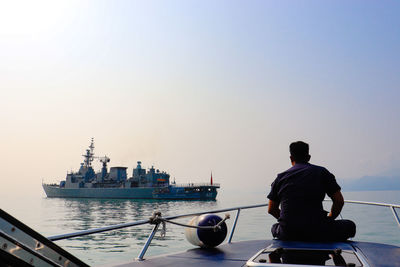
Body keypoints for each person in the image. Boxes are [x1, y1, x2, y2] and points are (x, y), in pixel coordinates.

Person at [267, 141, 356, 241]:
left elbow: (271, 209)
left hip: (288, 233)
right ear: (309, 157)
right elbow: (339, 201)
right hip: (318, 231)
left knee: (274, 227)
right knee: (350, 226)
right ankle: (335, 254)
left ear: (291, 158)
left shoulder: (280, 178)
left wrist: (290, 223)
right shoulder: (322, 172)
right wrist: (330, 219)